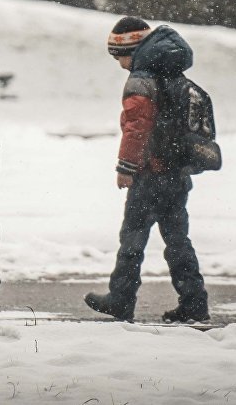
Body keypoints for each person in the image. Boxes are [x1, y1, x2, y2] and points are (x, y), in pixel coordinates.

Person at [85, 16, 210, 323]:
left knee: (132, 239)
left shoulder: (142, 78)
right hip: (176, 172)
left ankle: (121, 299)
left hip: (150, 173)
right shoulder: (172, 71)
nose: (119, 64)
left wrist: (126, 167)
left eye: (119, 56)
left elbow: (137, 127)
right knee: (178, 240)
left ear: (132, 49)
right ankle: (194, 302)